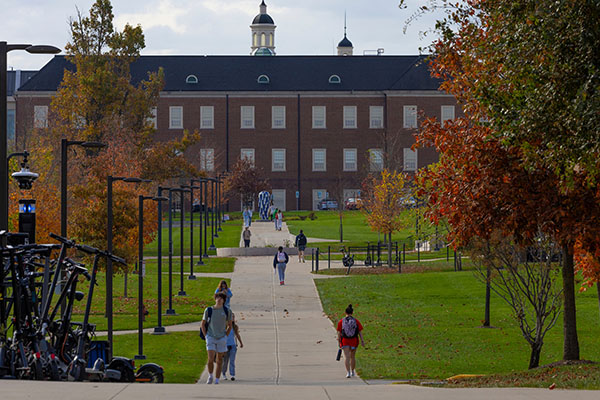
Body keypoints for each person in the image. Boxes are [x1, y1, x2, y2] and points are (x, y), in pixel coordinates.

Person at [201, 292, 232, 384]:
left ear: (223, 300)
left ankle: (217, 379)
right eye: (217, 298)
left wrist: (225, 336)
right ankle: (210, 375)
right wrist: (206, 335)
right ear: (215, 299)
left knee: (219, 359)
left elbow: (230, 325)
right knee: (210, 358)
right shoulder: (209, 310)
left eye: (221, 298)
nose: (219, 299)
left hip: (221, 337)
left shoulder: (227, 311)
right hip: (210, 336)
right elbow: (202, 324)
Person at [337, 304, 364, 378]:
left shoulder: (341, 321)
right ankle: (353, 371)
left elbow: (339, 332)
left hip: (345, 341)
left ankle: (348, 372)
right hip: (354, 341)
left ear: (345, 312)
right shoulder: (356, 321)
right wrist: (362, 340)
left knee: (347, 357)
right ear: (352, 312)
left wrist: (339, 341)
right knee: (353, 357)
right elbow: (359, 331)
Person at [222, 312, 244, 381]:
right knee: (225, 361)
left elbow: (237, 335)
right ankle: (224, 373)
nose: (232, 319)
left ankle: (232, 374)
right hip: (225, 346)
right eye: (231, 317)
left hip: (233, 345)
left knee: (232, 360)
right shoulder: (223, 326)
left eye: (233, 317)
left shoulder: (235, 326)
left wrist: (241, 342)